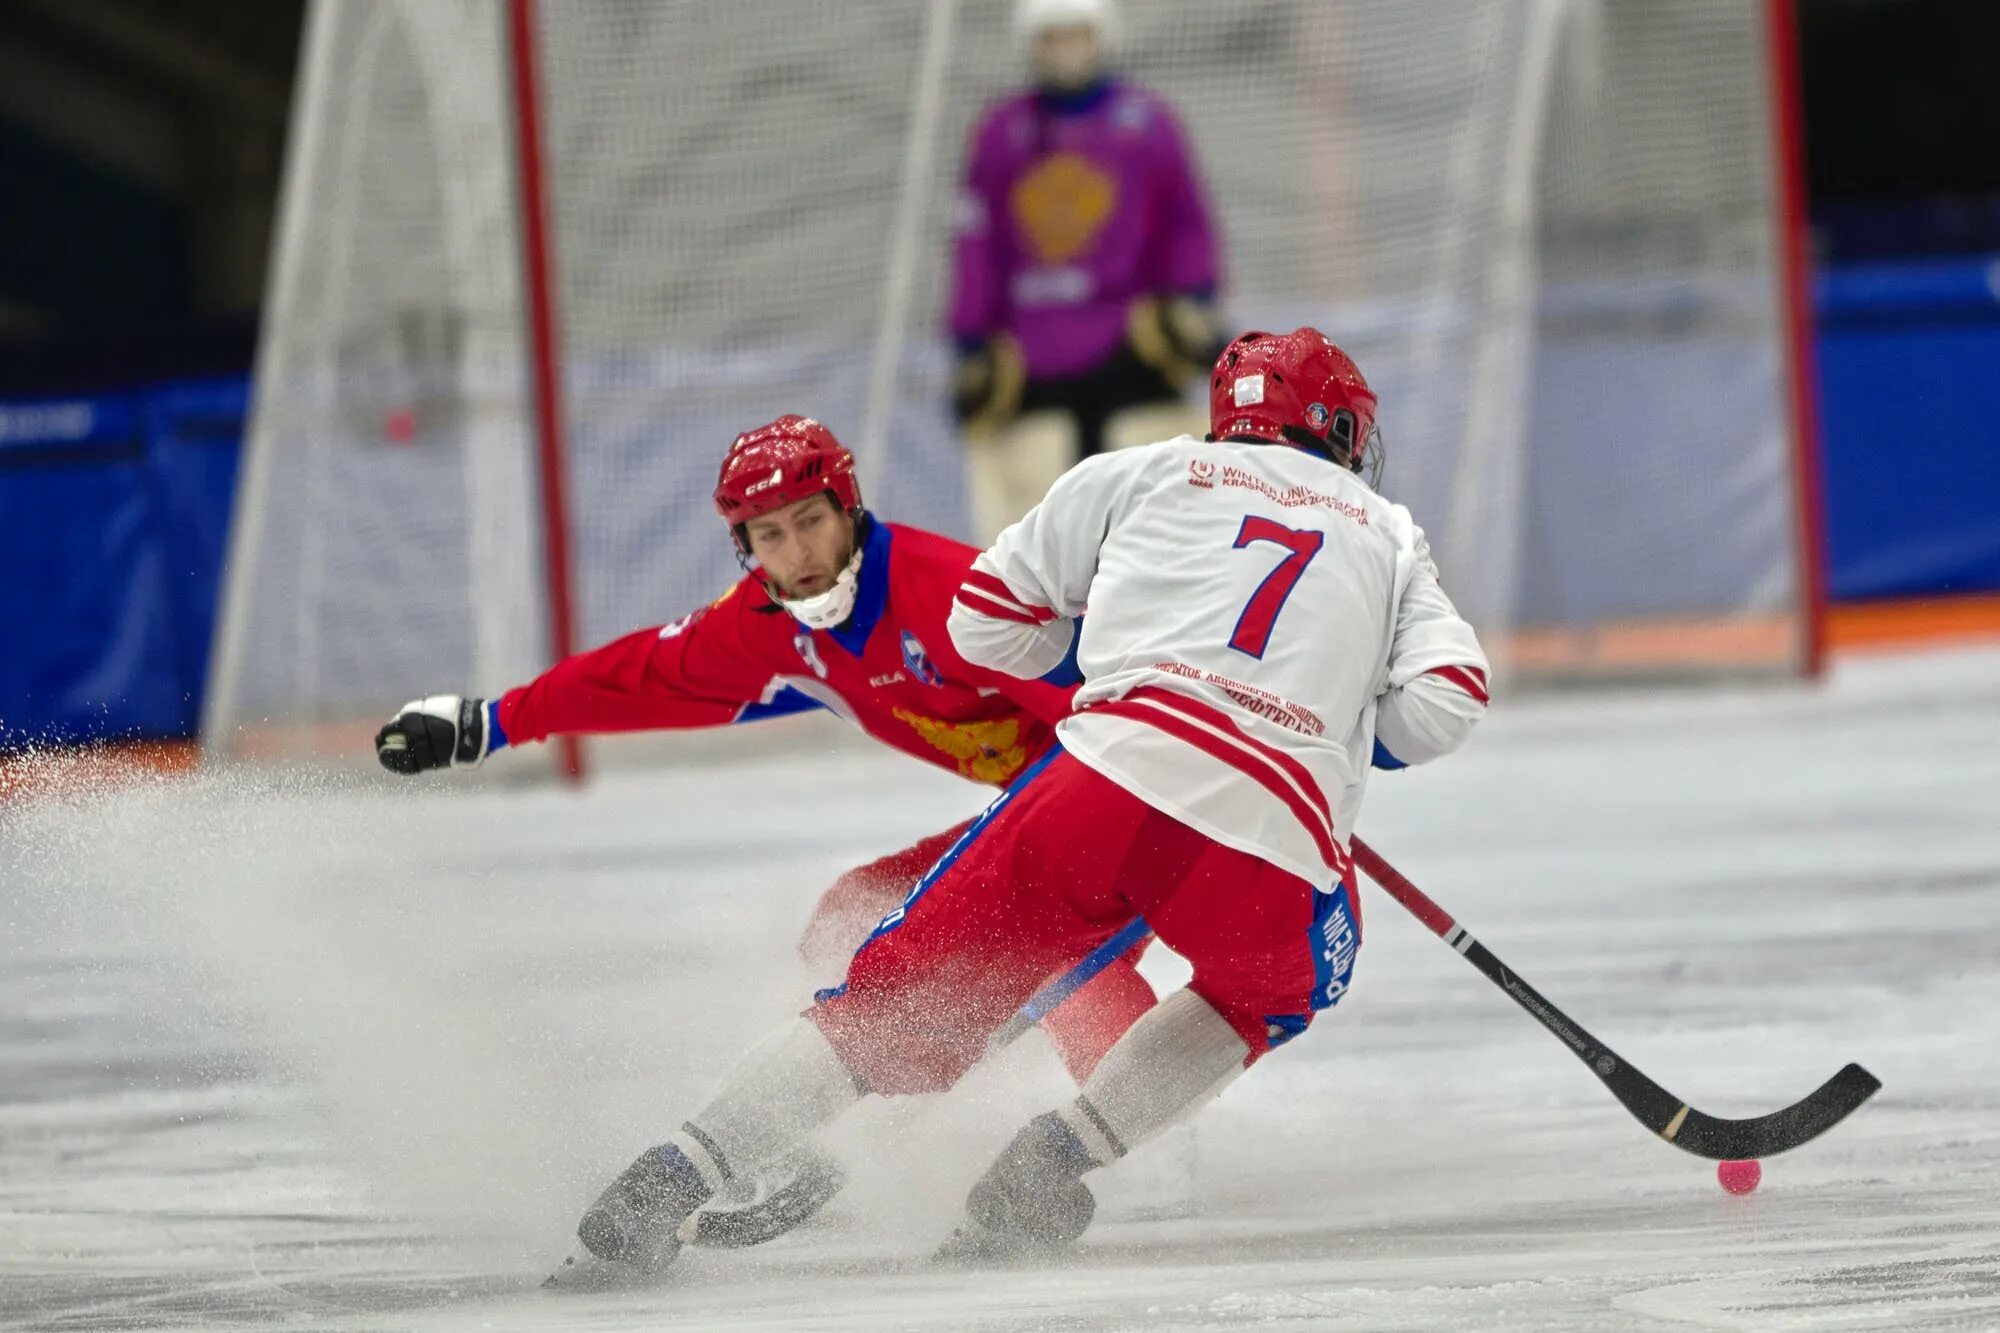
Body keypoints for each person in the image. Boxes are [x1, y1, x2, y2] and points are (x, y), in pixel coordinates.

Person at [551, 328, 1488, 1281]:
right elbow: (1443, 709)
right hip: (1275, 832)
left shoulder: (1143, 472)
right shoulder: (1388, 530)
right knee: (1274, 989)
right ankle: (1059, 1158)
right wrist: (1336, 728)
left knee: (894, 1000)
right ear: (1335, 428)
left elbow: (983, 622)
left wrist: (1128, 674)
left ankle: (669, 1177)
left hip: (1099, 783)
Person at [373, 414, 1156, 1088]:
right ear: (745, 547)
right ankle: (877, 1111)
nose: (798, 553)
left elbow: (1116, 719)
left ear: (848, 508)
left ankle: (1138, 1130)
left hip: (1136, 785)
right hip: (1050, 801)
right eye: (769, 535)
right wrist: (493, 721)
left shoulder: (953, 596)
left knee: (1039, 931)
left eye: (811, 519)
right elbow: (643, 675)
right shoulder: (767, 623)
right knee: (850, 915)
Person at [950, 0, 1222, 543]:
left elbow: (1184, 220)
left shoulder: (1148, 123)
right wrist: (971, 338)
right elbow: (976, 240)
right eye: (1053, 36)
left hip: (1130, 347)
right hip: (1030, 359)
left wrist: (1193, 299)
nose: (1066, 48)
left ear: (1100, 36)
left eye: (1076, 34)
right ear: (1033, 43)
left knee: (1154, 516)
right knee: (1039, 526)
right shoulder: (1002, 132)